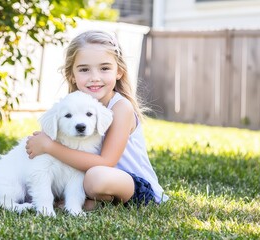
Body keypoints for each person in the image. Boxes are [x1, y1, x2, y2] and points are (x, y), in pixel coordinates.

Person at [25, 30, 168, 209]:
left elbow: (106, 162)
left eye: (104, 68)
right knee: (73, 175)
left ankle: (91, 202)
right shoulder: (74, 107)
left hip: (134, 186)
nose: (94, 77)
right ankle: (88, 203)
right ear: (71, 75)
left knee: (95, 177)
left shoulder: (121, 107)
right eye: (84, 69)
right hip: (94, 180)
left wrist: (49, 146)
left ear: (119, 72)